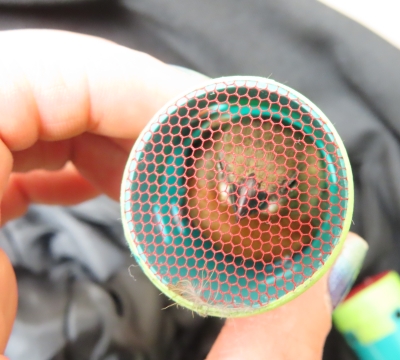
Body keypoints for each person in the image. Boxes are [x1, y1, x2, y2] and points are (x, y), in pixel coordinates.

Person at [0, 29, 368, 360]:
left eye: (268, 195)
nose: (243, 204)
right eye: (230, 183)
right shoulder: (194, 178)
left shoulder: (309, 196)